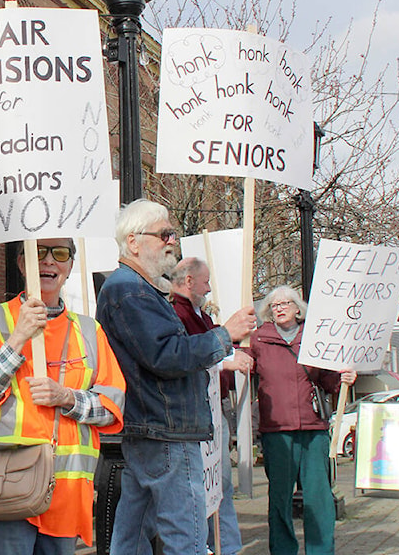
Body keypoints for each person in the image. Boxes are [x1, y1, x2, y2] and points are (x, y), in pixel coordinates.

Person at [95, 200, 256, 555]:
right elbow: (166, 356)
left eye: (172, 233)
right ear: (134, 242)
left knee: (132, 532)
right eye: (164, 233)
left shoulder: (135, 288)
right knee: (185, 534)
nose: (172, 240)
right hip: (165, 429)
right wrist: (224, 335)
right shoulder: (130, 289)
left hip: (152, 427)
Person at [0, 237, 126, 554]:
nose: (49, 261)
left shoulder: (89, 331)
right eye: (38, 253)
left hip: (65, 498)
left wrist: (68, 398)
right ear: (22, 264)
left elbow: (113, 406)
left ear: (70, 266)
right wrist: (18, 337)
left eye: (60, 253)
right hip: (6, 490)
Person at [239, 285, 357, 555]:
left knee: (319, 498)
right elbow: (238, 370)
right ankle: (282, 550)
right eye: (274, 305)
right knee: (279, 498)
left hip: (313, 429)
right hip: (276, 430)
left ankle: (321, 550)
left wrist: (344, 379)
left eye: (285, 303)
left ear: (297, 309)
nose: (279, 308)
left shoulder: (314, 339)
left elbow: (329, 380)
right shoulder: (257, 340)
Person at [170, 257, 252, 555]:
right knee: (203, 489)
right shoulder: (176, 316)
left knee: (220, 486)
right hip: (196, 415)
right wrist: (228, 362)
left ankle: (226, 546)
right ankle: (205, 545)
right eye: (205, 281)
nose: (209, 287)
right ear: (189, 281)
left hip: (214, 411)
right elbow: (186, 358)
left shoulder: (200, 315)